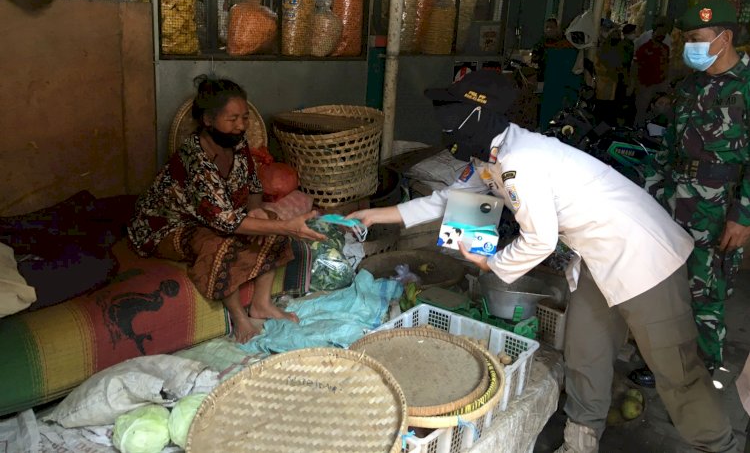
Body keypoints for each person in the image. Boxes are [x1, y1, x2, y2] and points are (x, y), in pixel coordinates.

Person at [348, 70, 738, 453]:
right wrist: (375, 216)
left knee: (676, 372)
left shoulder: (521, 161)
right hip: (597, 259)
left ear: (480, 115)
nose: (444, 123)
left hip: (644, 258)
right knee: (586, 352)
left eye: (453, 111)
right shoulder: (491, 156)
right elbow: (446, 199)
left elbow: (540, 240)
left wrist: (491, 263)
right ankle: (580, 441)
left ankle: (717, 445)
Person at [127, 75, 325, 343]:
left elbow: (254, 185)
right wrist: (285, 226)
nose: (240, 126)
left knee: (270, 220)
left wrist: (257, 212)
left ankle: (262, 304)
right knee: (219, 243)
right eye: (232, 119)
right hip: (166, 225)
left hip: (220, 216)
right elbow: (225, 223)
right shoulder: (194, 159)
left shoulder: (238, 145)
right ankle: (239, 318)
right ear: (208, 120)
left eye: (244, 118)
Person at [644, 0, 750, 374]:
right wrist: (652, 191)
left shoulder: (747, 86)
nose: (690, 46)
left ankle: (702, 374)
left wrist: (744, 216)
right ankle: (664, 364)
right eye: (686, 38)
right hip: (675, 199)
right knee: (668, 285)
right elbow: (669, 145)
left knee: (707, 291)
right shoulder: (689, 86)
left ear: (725, 37)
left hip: (720, 208)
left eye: (696, 38)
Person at [633, 19, 671, 127]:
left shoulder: (665, 48)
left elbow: (667, 65)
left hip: (661, 84)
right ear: (654, 32)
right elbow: (635, 66)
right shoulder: (644, 48)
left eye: (664, 33)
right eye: (659, 33)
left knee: (660, 112)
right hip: (645, 85)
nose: (661, 35)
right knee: (642, 111)